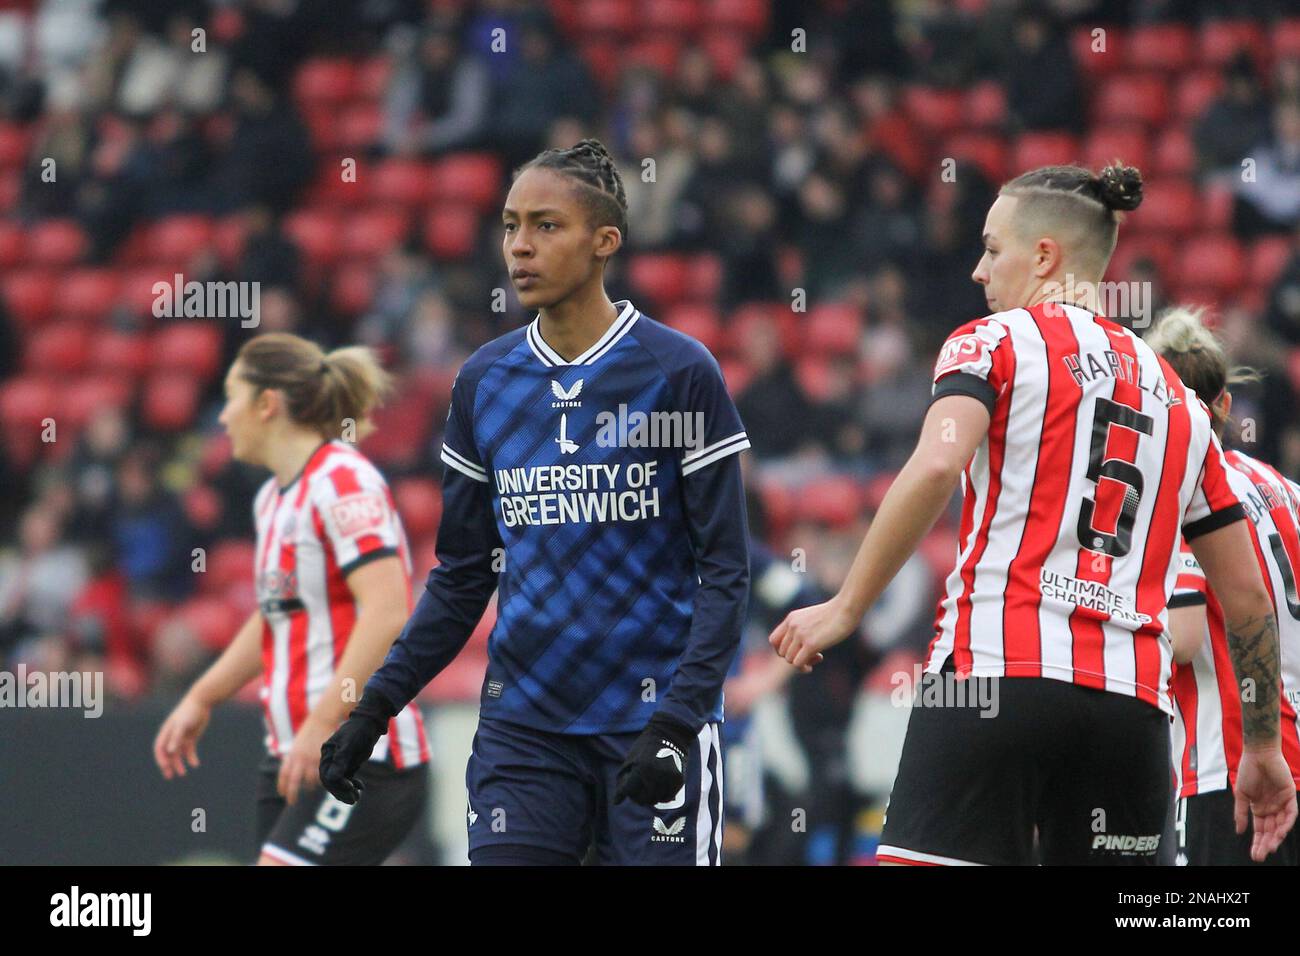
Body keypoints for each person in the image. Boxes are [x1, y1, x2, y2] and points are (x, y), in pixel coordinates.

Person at [770, 163, 1298, 865]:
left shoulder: (991, 342)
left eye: (992, 248)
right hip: (1129, 709)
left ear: (1044, 254)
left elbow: (935, 464)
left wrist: (845, 607)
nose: (979, 272)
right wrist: (1261, 746)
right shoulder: (1178, 398)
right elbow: (1247, 596)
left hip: (995, 674)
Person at [318, 140, 753, 866]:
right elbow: (461, 576)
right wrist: (375, 707)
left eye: (546, 226)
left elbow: (725, 569)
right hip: (523, 730)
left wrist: (677, 721)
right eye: (511, 225)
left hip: (651, 725)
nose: (519, 247)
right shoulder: (485, 382)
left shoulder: (679, 373)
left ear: (603, 243)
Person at [154, 333, 429, 866]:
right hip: (292, 750)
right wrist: (203, 697)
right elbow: (276, 616)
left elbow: (389, 609)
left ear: (267, 404)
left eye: (232, 398)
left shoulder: (343, 480)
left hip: (359, 751)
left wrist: (325, 723)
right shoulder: (272, 499)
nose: (224, 416)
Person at [1147, 305, 1300, 866]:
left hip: (1229, 771)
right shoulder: (1285, 490)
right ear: (1225, 405)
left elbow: (1183, 637)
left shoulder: (1185, 494)